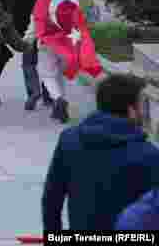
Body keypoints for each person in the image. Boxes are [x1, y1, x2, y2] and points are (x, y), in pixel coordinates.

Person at [42, 74, 159, 231]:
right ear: (131, 110)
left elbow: (52, 198)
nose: (144, 112)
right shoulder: (149, 155)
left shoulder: (69, 140)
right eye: (142, 105)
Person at [29, 0, 102, 124]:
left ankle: (58, 99)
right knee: (58, 74)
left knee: (48, 74)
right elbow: (79, 19)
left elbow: (37, 19)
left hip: (47, 41)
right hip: (67, 42)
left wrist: (28, 40)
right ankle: (59, 106)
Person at [13, 0, 50, 110]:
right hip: (47, 31)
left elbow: (16, 7)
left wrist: (18, 30)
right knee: (48, 64)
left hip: (29, 30)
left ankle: (33, 92)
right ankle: (48, 96)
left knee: (28, 63)